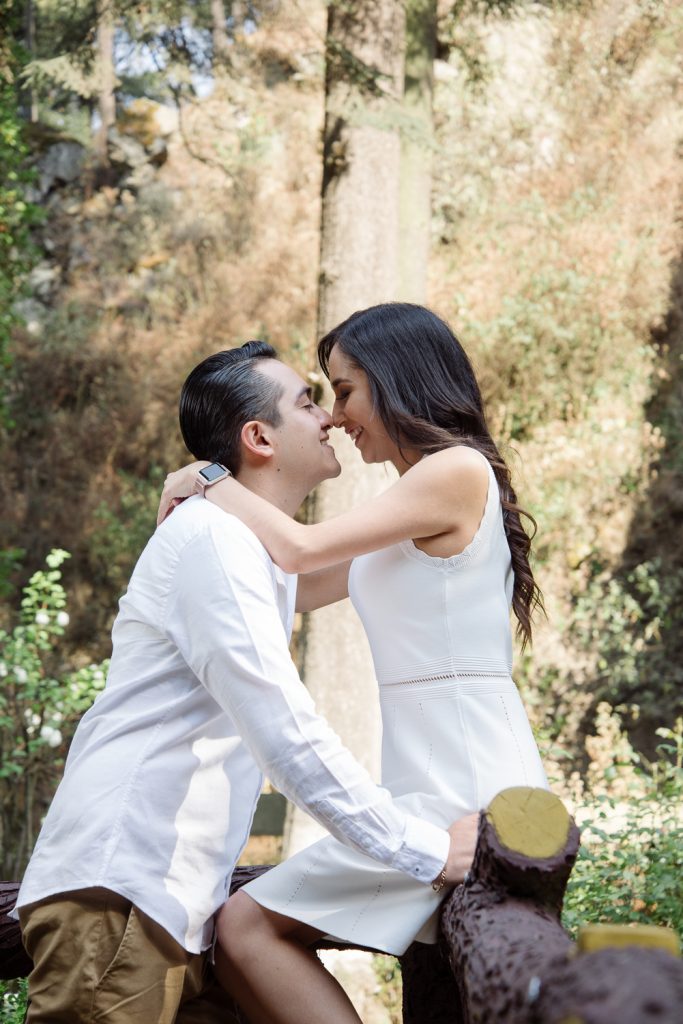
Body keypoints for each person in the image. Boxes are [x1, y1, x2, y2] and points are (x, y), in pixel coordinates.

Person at [14, 341, 476, 1024]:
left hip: (170, 906)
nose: (328, 417)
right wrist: (427, 852)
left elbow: (365, 563)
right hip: (122, 895)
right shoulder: (214, 542)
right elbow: (284, 734)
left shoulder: (248, 551)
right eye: (307, 402)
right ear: (259, 438)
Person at [159, 302, 549, 1024]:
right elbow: (296, 588)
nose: (336, 417)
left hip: (470, 780)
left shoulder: (456, 471)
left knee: (245, 925)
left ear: (397, 380)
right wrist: (195, 552)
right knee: (247, 927)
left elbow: (300, 550)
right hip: (425, 787)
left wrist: (212, 479)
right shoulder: (410, 501)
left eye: (344, 392)